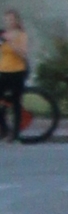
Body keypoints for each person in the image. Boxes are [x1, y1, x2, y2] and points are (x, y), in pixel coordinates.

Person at [0, 11, 27, 143]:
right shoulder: (3, 34)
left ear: (16, 21)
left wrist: (11, 42)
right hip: (3, 71)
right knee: (2, 104)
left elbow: (23, 54)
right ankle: (4, 130)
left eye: (11, 19)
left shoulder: (21, 35)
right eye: (6, 19)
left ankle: (14, 134)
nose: (8, 22)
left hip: (17, 72)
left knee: (15, 103)